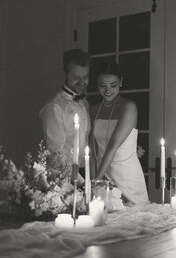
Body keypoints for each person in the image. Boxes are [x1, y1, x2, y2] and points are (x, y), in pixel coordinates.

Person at [91, 62, 149, 205]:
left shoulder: (128, 107)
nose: (107, 90)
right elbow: (92, 151)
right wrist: (94, 181)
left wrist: (96, 182)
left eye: (113, 85)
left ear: (121, 82)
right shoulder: (94, 109)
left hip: (126, 176)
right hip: (103, 174)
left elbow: (113, 146)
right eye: (102, 85)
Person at [39, 49, 91, 185]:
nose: (82, 82)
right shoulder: (54, 107)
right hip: (64, 178)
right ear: (65, 74)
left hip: (84, 172)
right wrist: (81, 183)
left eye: (85, 77)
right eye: (75, 78)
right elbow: (56, 154)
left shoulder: (83, 102)